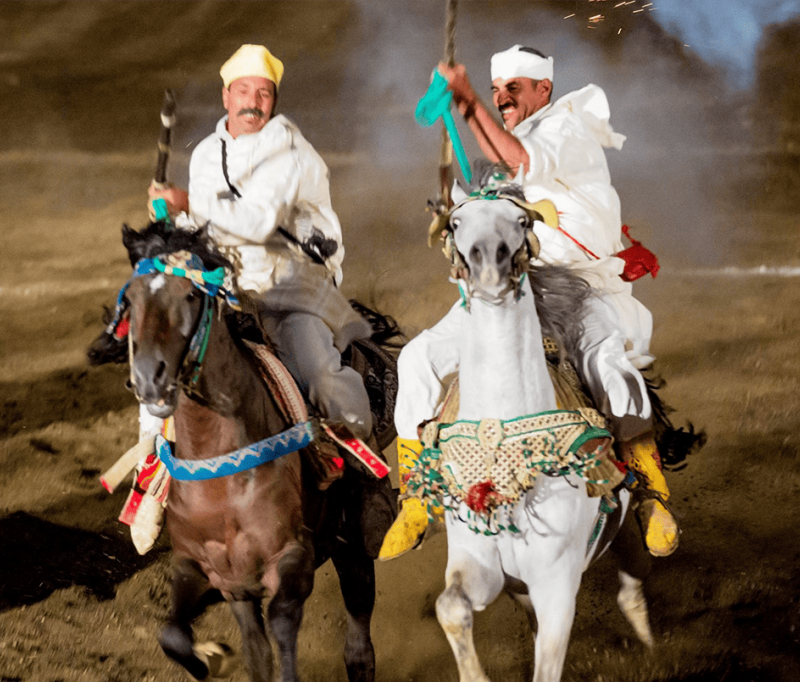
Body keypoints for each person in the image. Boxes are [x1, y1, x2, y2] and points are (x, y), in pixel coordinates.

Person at [379, 45, 678, 561]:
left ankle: (652, 494)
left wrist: (469, 101)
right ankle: (417, 496)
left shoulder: (567, 129)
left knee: (608, 364)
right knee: (417, 358)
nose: (503, 98)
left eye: (513, 88)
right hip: (509, 285)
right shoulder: (508, 147)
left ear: (545, 89)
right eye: (496, 92)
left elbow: (517, 160)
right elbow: (489, 203)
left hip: (580, 286)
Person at [133, 44, 380, 552]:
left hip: (292, 285)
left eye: (263, 93)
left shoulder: (291, 151)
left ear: (273, 101)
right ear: (227, 95)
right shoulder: (205, 153)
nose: (253, 102)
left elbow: (257, 221)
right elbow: (199, 228)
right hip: (228, 288)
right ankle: (151, 475)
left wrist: (186, 201)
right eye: (243, 91)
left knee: (319, 373)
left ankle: (367, 481)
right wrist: (170, 221)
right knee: (161, 356)